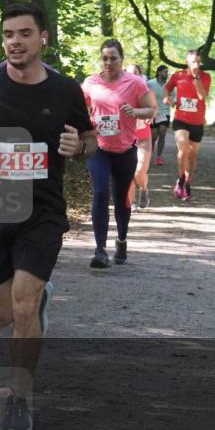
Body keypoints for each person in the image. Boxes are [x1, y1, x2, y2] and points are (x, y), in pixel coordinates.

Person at [0, 3, 95, 430]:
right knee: (0, 316)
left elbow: (90, 139)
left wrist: (79, 147)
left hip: (42, 211)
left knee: (24, 303)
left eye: (25, 33)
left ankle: (18, 400)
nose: (15, 42)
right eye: (8, 34)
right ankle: (33, 303)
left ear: (43, 38)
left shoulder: (65, 90)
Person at [82, 47, 156, 268]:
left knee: (122, 198)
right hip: (99, 149)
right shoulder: (91, 83)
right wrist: (85, 126)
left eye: (113, 58)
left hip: (125, 150)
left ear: (121, 59)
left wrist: (135, 111)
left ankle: (121, 240)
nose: (108, 62)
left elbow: (151, 110)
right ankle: (100, 250)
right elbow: (79, 109)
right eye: (105, 58)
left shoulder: (135, 83)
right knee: (100, 193)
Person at [165, 50, 212, 200]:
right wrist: (168, 98)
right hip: (181, 119)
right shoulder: (178, 75)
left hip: (197, 121)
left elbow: (202, 96)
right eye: (193, 61)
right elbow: (167, 88)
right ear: (187, 62)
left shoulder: (205, 76)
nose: (196, 64)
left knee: (192, 156)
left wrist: (196, 78)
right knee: (183, 149)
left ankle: (188, 183)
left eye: (198, 61)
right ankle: (181, 179)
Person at [124, 63, 155, 211]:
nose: (132, 76)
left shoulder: (147, 91)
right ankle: (132, 202)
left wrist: (151, 115)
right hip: (126, 138)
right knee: (128, 172)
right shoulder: (119, 92)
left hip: (143, 137)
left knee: (139, 171)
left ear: (140, 75)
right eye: (129, 73)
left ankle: (144, 189)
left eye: (135, 73)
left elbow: (154, 107)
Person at [148, 65, 170, 166]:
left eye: (167, 72)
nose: (167, 74)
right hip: (153, 112)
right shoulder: (150, 83)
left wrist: (171, 100)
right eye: (165, 72)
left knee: (162, 132)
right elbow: (145, 96)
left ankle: (159, 157)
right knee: (153, 136)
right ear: (159, 72)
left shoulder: (169, 85)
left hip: (165, 112)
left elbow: (174, 97)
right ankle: (149, 155)